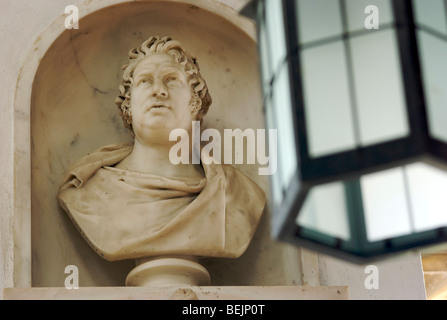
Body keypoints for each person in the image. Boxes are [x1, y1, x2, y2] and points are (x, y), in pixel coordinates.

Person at [58, 36, 265, 262]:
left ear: (196, 102)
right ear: (128, 104)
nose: (159, 90)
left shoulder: (238, 196)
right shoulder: (89, 191)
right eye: (145, 81)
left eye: (172, 80)